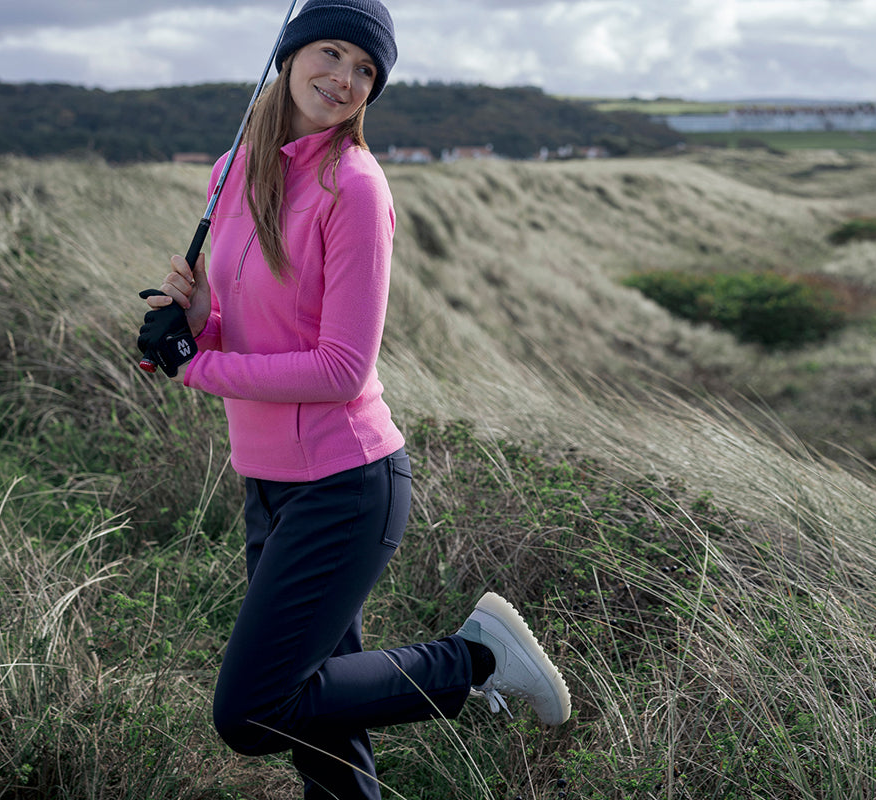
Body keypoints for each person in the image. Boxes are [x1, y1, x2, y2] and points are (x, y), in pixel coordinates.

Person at [136, 2, 570, 797]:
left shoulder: (357, 188)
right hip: (268, 480)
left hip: (344, 483)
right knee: (326, 741)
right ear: (290, 53)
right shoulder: (233, 173)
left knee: (255, 709)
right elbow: (256, 326)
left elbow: (339, 368)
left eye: (365, 69)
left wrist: (196, 366)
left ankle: (475, 659)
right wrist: (201, 321)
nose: (344, 78)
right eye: (330, 53)